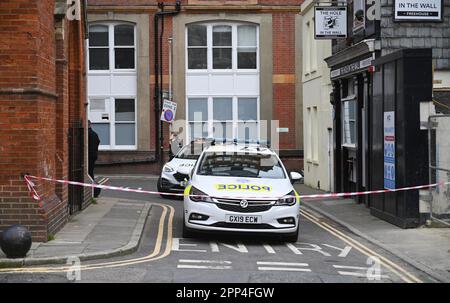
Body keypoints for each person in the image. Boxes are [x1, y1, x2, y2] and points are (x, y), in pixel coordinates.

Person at [88, 120, 101, 197]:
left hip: (88, 157)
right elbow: (98, 142)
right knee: (91, 173)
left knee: (89, 174)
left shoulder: (87, 134)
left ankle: (93, 191)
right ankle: (93, 191)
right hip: (93, 157)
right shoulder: (95, 134)